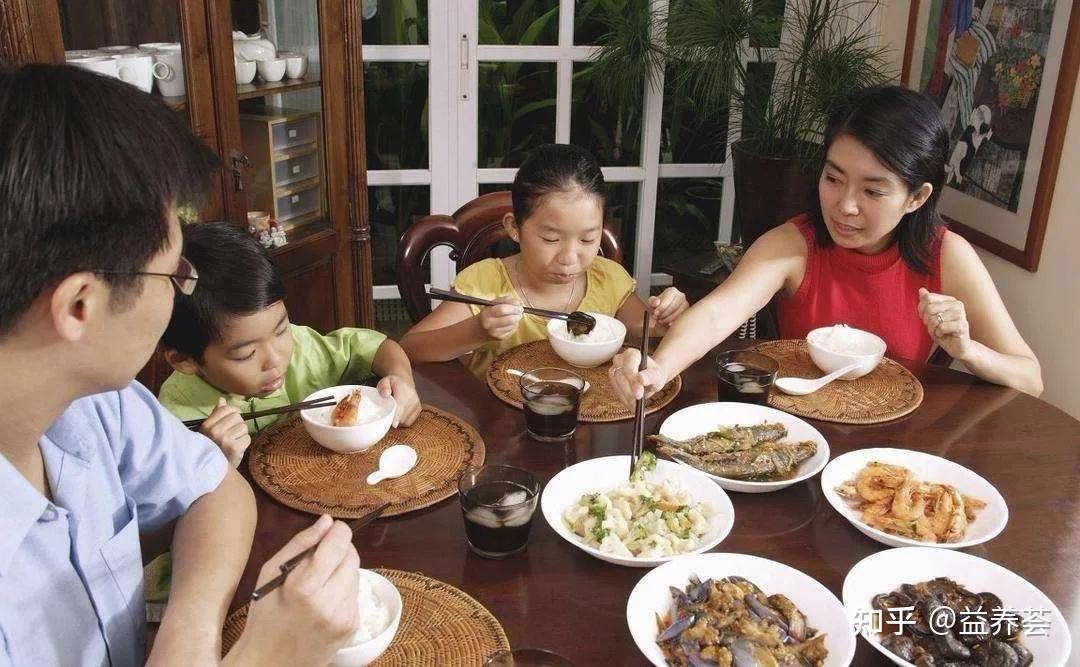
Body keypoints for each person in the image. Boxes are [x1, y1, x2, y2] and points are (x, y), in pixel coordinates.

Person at [0, 63, 359, 666]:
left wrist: (186, 637)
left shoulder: (95, 402)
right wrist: (264, 657)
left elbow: (215, 489)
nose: (180, 291)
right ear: (80, 305)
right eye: (173, 275)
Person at [610, 85, 1042, 404]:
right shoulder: (794, 244)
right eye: (833, 178)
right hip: (796, 433)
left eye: (873, 191)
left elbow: (1030, 377)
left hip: (899, 449)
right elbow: (718, 314)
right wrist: (656, 369)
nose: (845, 206)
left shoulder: (947, 255)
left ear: (917, 197)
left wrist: (967, 351)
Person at [400, 143, 689, 375]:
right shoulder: (486, 284)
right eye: (551, 239)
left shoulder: (607, 277)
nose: (569, 258)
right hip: (500, 426)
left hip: (590, 416)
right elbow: (410, 348)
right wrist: (476, 330)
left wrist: (667, 315)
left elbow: (647, 328)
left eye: (588, 239)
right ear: (514, 227)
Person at [158, 221, 422, 469]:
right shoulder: (172, 417)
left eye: (281, 329)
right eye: (246, 354)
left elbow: (377, 347)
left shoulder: (302, 348)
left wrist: (401, 377)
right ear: (184, 360)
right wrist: (209, 466)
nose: (276, 360)